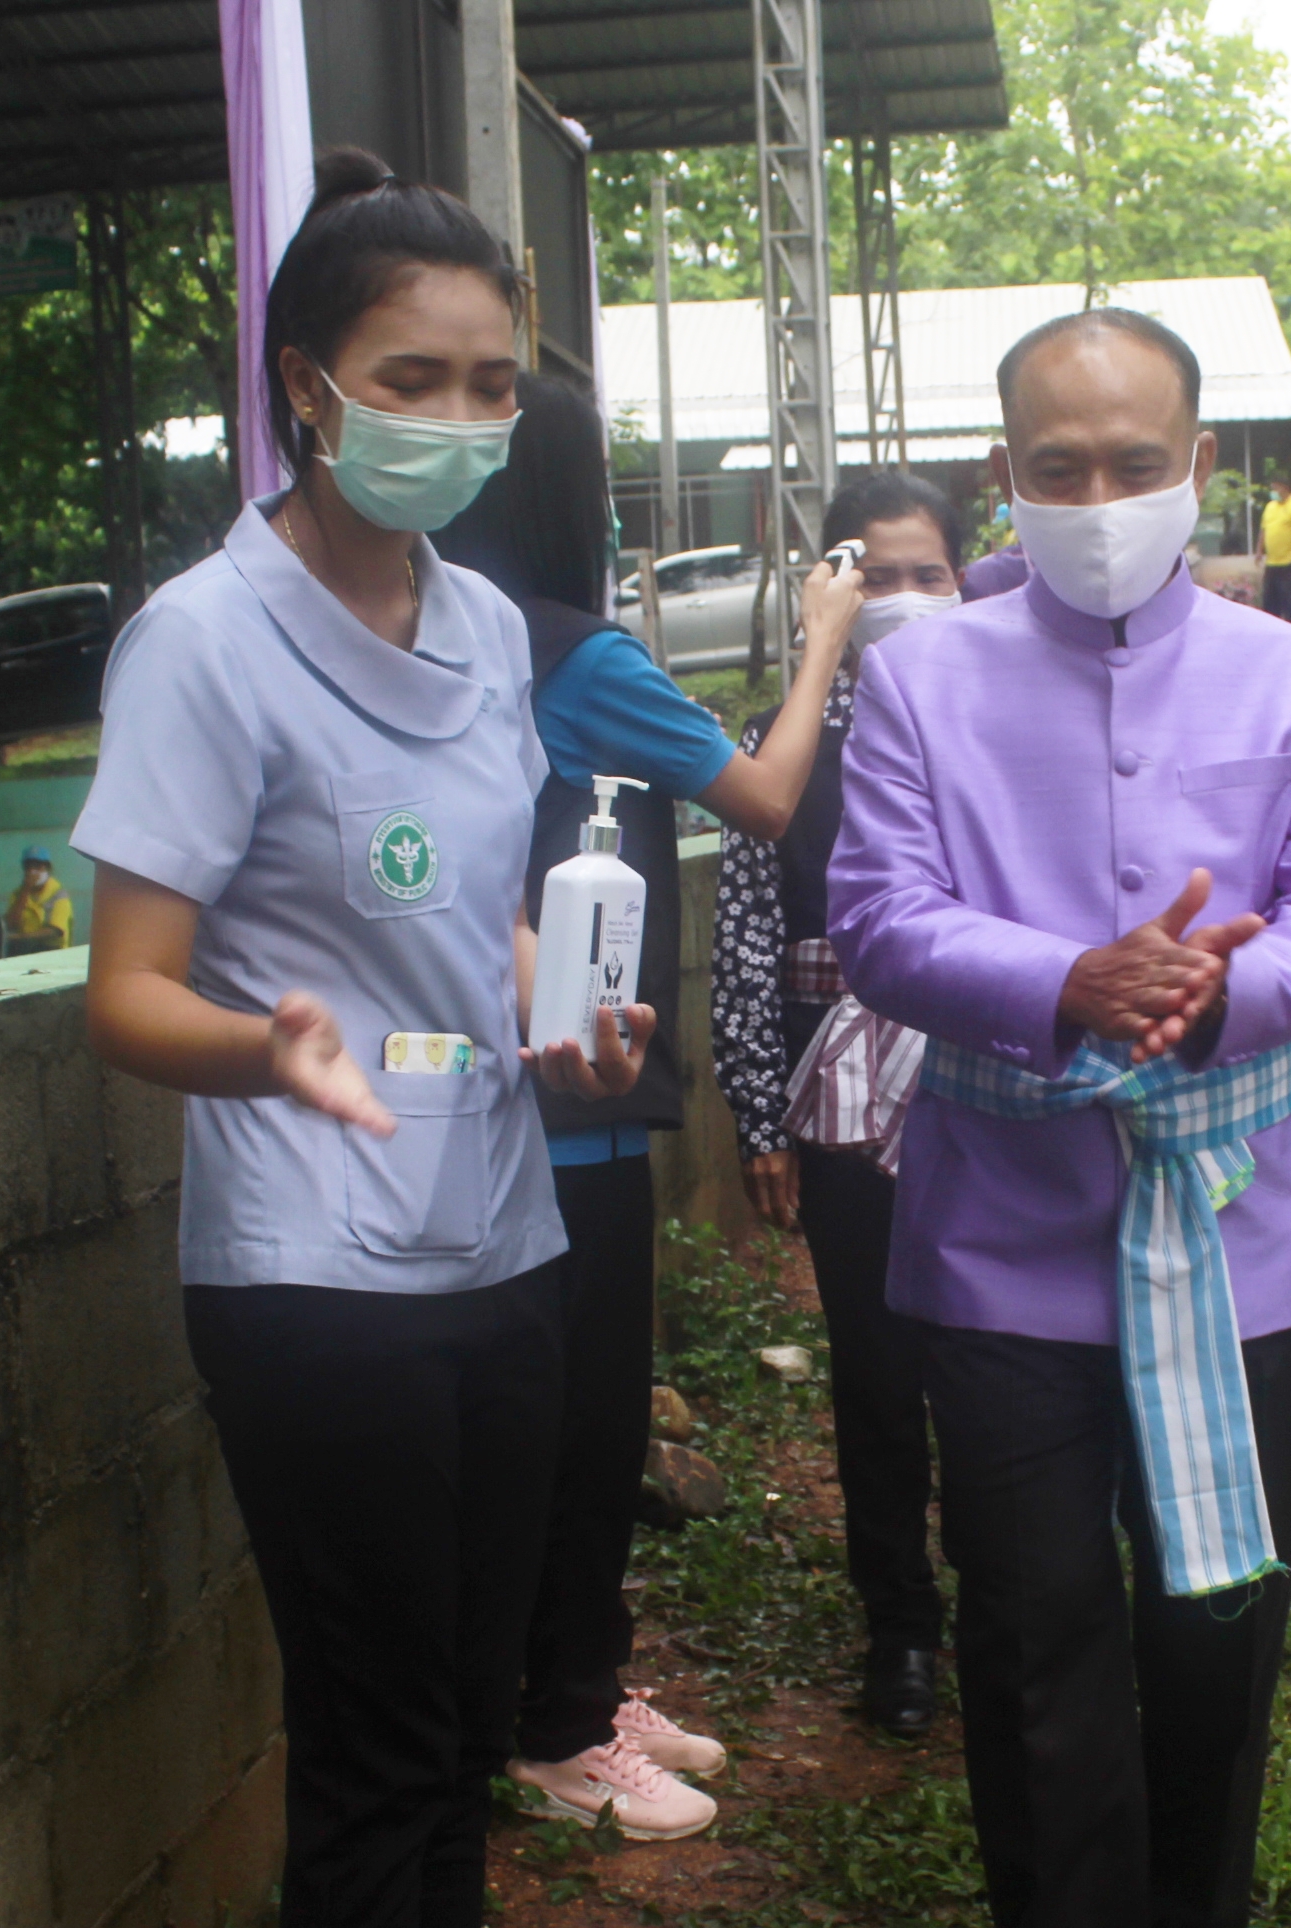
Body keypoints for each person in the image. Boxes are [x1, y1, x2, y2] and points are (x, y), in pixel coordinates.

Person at [68, 147, 668, 1928]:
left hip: (501, 1235)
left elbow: (476, 930)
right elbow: (127, 990)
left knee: (465, 1736)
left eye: (494, 383)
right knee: (378, 1749)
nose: (461, 417)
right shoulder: (204, 643)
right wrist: (269, 1047)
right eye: (416, 377)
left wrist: (563, 1019)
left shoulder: (490, 626)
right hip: (315, 1275)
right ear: (308, 388)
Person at [825, 307, 1291, 1928]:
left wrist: (1220, 991)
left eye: (1135, 465)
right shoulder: (921, 680)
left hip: (1231, 1232)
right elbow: (880, 918)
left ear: (1199, 466)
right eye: (1056, 468)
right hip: (1004, 1239)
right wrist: (1063, 975)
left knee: (1217, 1605)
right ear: (1004, 477)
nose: (1097, 497)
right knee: (1034, 1622)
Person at [437, 368, 861, 1842]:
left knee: (550, 1417)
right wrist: (823, 638)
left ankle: (577, 1681)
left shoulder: (445, 646)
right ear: (565, 500)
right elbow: (767, 797)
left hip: (486, 1093)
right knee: (589, 1417)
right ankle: (561, 1730)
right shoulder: (580, 660)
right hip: (585, 1104)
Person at [714, 469, 963, 1736]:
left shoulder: (1011, 714)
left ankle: (1009, 1588)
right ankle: (900, 1625)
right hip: (841, 1099)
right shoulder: (791, 738)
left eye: (930, 574)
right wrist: (761, 1117)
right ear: (835, 588)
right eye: (880, 576)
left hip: (987, 1089)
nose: (905, 598)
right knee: (873, 1364)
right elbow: (749, 935)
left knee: (997, 1353)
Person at [1257, 475, 1291, 624]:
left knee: (1289, 601)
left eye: (1275, 488)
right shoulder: (1270, 507)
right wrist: (1259, 550)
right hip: (1272, 563)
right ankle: (1273, 631)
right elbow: (1264, 530)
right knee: (1270, 603)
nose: (1273, 492)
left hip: (1289, 563)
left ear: (1284, 488)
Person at [6, 845, 75, 951]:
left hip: (54, 951)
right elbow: (10, 924)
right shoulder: (18, 894)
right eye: (29, 867)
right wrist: (25, 890)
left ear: (48, 868)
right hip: (26, 950)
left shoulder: (58, 894)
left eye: (38, 867)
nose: (32, 871)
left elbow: (55, 931)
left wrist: (23, 937)